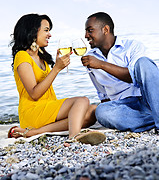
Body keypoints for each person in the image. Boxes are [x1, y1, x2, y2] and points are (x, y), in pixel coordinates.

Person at [8, 13, 106, 145]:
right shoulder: (22, 56)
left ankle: (35, 132)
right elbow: (34, 94)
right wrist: (57, 69)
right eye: (46, 30)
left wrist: (57, 65)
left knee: (92, 110)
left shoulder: (41, 57)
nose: (49, 35)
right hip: (32, 111)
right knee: (82, 100)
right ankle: (74, 136)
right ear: (32, 31)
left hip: (46, 108)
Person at [81, 12, 159, 133]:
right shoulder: (90, 58)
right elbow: (103, 94)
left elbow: (132, 76)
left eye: (90, 30)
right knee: (101, 112)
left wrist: (101, 64)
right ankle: (153, 119)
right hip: (124, 107)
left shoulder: (132, 46)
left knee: (143, 62)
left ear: (105, 29)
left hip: (148, 100)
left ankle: (151, 117)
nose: (86, 36)